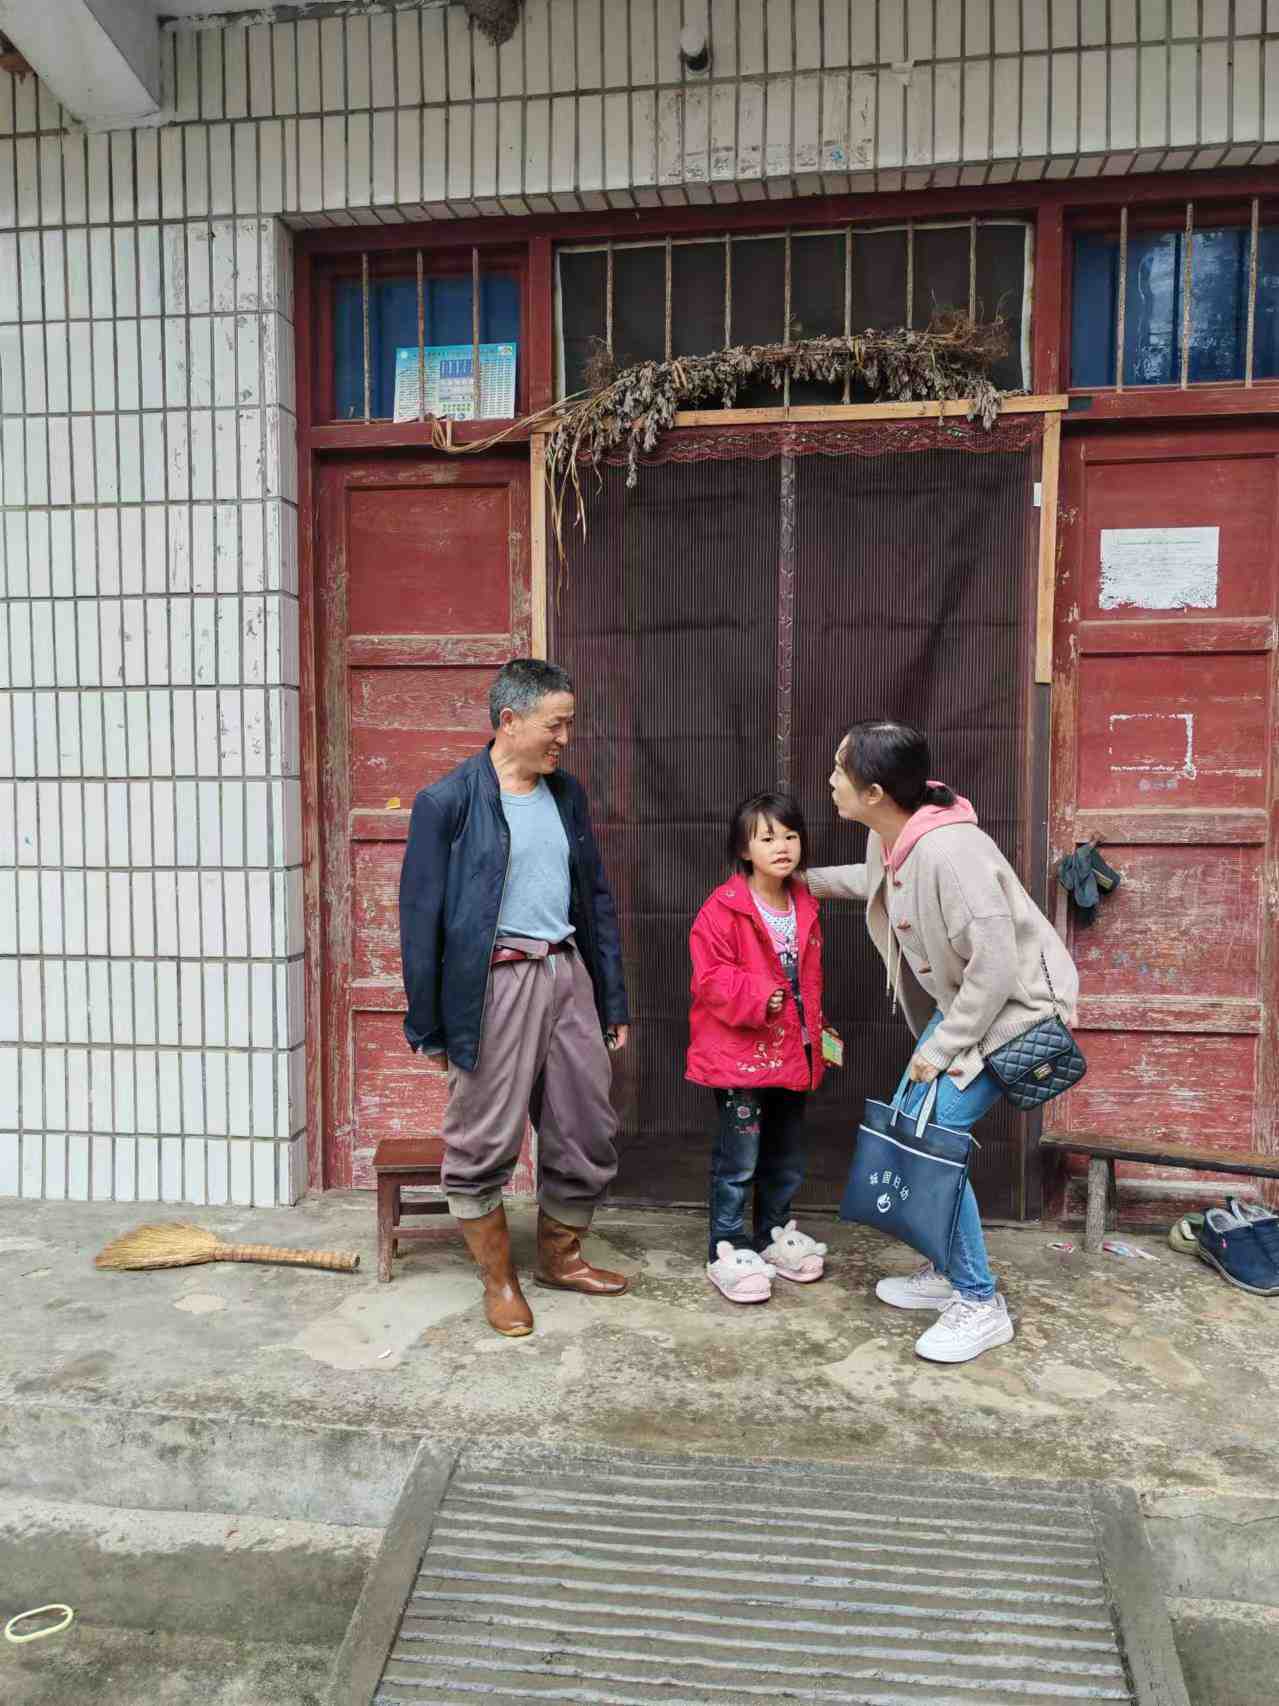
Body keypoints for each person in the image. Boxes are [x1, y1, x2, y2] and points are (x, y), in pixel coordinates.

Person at [807, 720, 1079, 1364]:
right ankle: (945, 1269)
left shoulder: (953, 853)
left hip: (1014, 1011)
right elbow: (876, 882)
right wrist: (801, 879)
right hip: (968, 1005)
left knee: (933, 1142)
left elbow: (997, 968)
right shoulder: (893, 835)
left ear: (874, 792)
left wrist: (940, 1047)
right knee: (912, 1126)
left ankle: (979, 1301)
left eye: (840, 770)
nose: (830, 781)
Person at [399, 658, 631, 1339]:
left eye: (569, 724)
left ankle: (560, 1259)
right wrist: (429, 1026)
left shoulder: (566, 795)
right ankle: (498, 1279)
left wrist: (610, 998)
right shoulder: (447, 802)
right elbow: (419, 920)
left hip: (567, 974)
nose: (565, 738)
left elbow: (594, 899)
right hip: (493, 984)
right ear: (510, 720)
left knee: (586, 1123)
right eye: (555, 724)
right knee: (483, 1138)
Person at [687, 793, 830, 1304]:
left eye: (790, 836)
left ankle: (772, 1234)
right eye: (767, 838)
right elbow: (709, 978)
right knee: (739, 1159)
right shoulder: (722, 909)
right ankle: (727, 1246)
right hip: (740, 1057)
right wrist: (757, 994)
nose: (782, 846)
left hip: (794, 1051)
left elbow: (808, 981)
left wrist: (817, 1031)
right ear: (744, 850)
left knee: (786, 1154)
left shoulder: (804, 903)